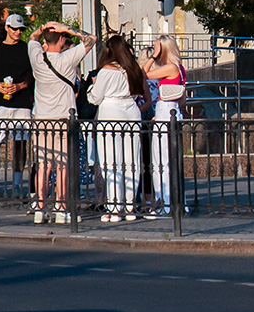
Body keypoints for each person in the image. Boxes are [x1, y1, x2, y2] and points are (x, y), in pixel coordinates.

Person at [28, 21, 96, 224]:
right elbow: (91, 39)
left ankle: (40, 207)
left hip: (41, 119)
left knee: (43, 164)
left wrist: (44, 28)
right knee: (62, 165)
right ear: (60, 39)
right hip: (63, 119)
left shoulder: (37, 58)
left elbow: (32, 38)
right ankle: (61, 207)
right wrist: (65, 28)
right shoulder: (67, 58)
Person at [89, 35, 148, 222]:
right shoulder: (133, 69)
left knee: (110, 161)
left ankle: (114, 206)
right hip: (131, 111)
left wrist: (92, 86)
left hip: (111, 112)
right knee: (131, 161)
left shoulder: (107, 70)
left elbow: (95, 98)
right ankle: (129, 206)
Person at [0, 14, 34, 198]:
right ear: (7, 28)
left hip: (22, 102)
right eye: (15, 29)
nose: (18, 32)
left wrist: (20, 86)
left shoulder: (26, 49)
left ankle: (16, 185)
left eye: (21, 29)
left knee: (20, 144)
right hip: (0, 102)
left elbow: (32, 75)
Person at [143, 34, 185, 216]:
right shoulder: (180, 69)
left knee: (160, 160)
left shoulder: (170, 68)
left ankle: (164, 203)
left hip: (165, 111)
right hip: (172, 110)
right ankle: (173, 201)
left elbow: (142, 74)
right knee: (169, 159)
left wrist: (152, 56)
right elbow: (182, 99)